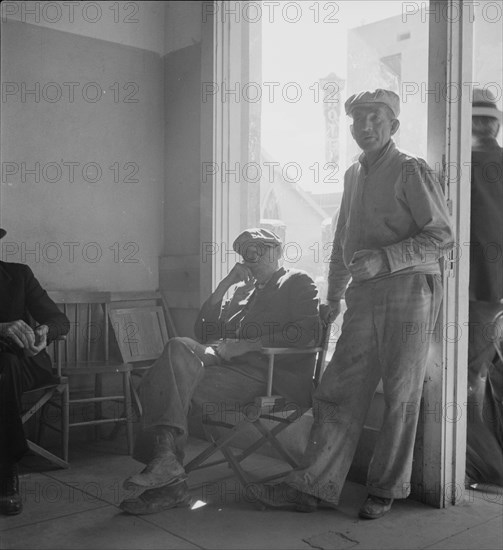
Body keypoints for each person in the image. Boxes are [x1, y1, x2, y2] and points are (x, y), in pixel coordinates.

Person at [252, 89, 454, 519]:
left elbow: (442, 237)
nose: (365, 126)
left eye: (375, 117)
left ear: (394, 125)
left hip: (410, 289)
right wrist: (332, 295)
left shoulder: (410, 169)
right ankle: (313, 485)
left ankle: (385, 489)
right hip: (364, 294)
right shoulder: (352, 175)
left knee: (401, 392)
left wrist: (385, 258)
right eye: (358, 118)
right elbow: (343, 239)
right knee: (339, 388)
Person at [119, 228, 322, 515]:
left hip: (266, 377)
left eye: (257, 250)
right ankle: (167, 463)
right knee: (178, 347)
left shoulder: (296, 281)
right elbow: (203, 331)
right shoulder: (243, 291)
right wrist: (225, 285)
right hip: (225, 366)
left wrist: (249, 345)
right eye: (243, 252)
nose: (249, 258)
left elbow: (308, 332)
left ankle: (170, 480)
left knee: (161, 381)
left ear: (277, 251)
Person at [0, 227, 70, 516]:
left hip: (21, 366)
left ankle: (4, 474)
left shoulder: (19, 275)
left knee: (5, 367)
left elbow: (59, 320)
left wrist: (45, 331)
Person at [465, 88, 503, 486]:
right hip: (486, 292)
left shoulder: (468, 163)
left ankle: (486, 467)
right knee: (477, 377)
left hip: (479, 290)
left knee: (468, 380)